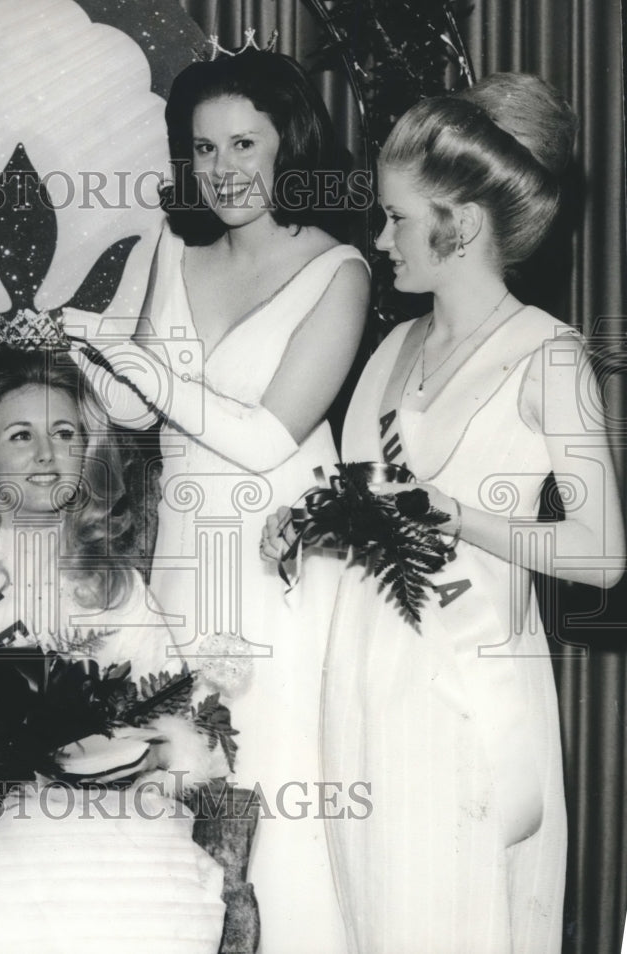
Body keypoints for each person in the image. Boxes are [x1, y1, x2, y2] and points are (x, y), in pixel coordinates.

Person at [264, 73, 625, 953]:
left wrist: (460, 516)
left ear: (458, 225)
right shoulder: (391, 346)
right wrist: (309, 521)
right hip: (361, 686)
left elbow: (603, 555)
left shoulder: (550, 355)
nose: (381, 237)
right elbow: (371, 506)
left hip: (467, 697)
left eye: (396, 217)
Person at [65, 48, 369, 953]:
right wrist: (91, 357)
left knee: (279, 780)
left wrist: (148, 371)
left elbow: (269, 437)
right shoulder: (173, 245)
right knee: (181, 775)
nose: (223, 168)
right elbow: (137, 412)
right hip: (184, 555)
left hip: (281, 560)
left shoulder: (340, 270)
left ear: (289, 146)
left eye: (244, 143)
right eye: (203, 149)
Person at [0, 348, 229, 954]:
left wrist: (149, 753)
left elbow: (182, 724)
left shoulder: (118, 589)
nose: (46, 453)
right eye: (21, 435)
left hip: (114, 823)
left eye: (64, 433)